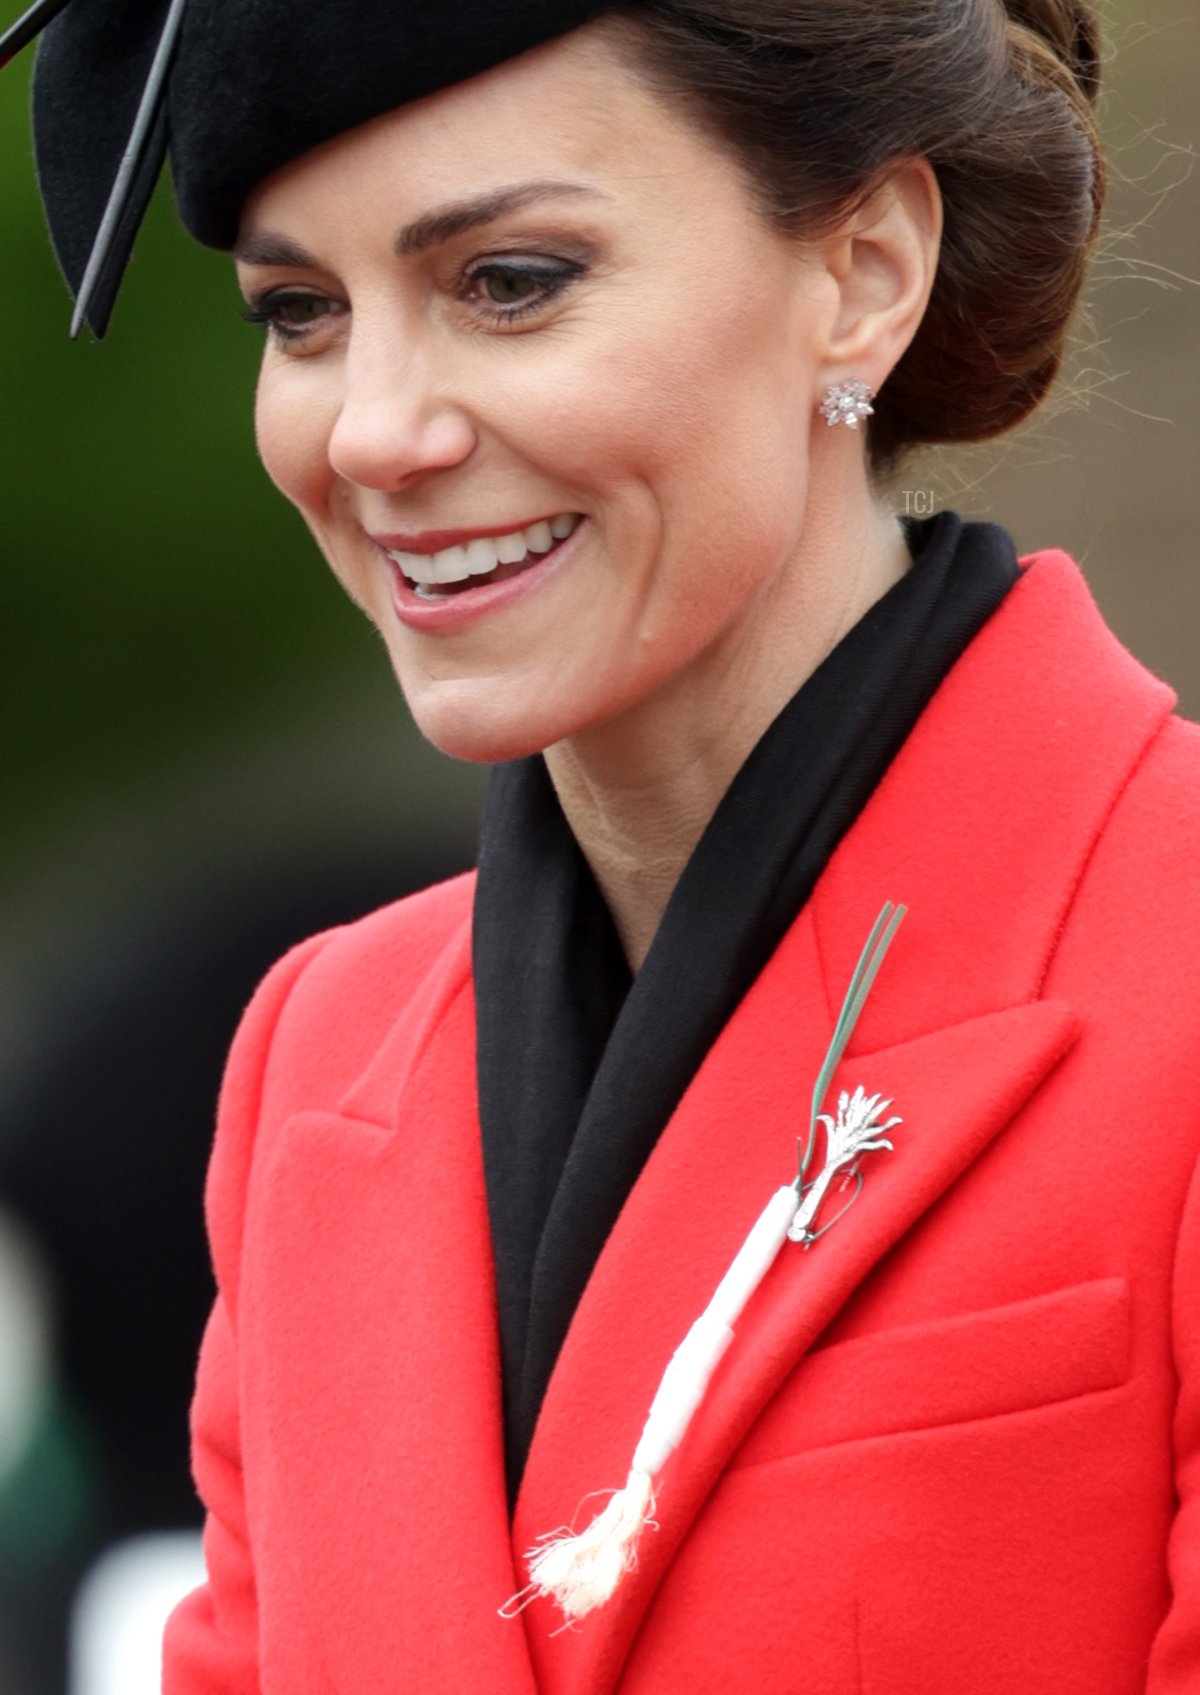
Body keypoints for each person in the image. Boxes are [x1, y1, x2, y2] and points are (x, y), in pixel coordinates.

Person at [7, 0, 1200, 1689]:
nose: (374, 433)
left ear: (863, 270)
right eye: (302, 314)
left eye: (510, 281)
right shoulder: (318, 1057)